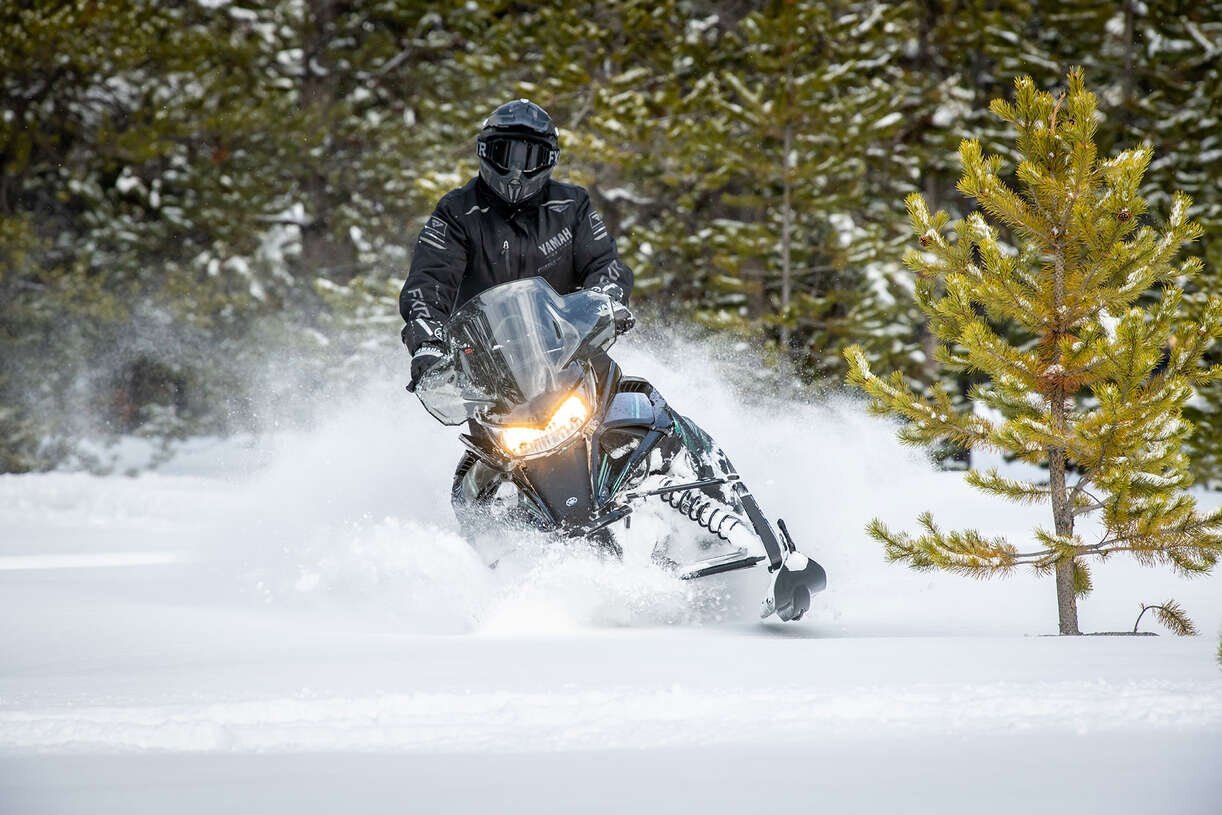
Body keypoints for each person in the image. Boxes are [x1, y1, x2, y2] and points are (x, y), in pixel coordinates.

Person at [401, 99, 635, 391]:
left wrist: (606, 299)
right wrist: (428, 339)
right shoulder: (456, 212)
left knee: (631, 401)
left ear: (549, 160)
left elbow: (604, 263)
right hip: (485, 366)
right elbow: (430, 279)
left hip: (568, 352)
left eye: (530, 159)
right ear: (485, 152)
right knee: (465, 415)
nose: (516, 172)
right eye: (504, 155)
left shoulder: (571, 205)